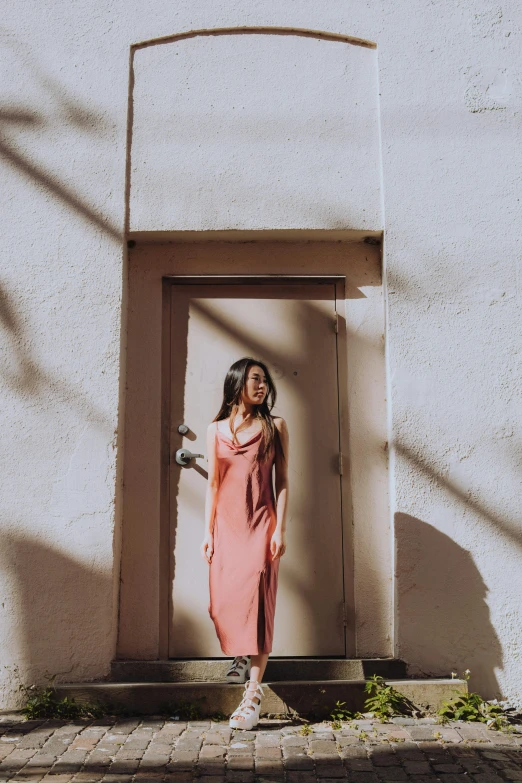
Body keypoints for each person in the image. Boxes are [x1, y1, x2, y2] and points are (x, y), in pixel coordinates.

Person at [200, 357, 289, 730]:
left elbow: (282, 481)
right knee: (221, 603)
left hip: (260, 525)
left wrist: (279, 529)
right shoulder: (215, 429)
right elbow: (213, 485)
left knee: (259, 600)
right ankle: (240, 653)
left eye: (265, 381)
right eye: (255, 379)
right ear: (237, 382)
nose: (262, 386)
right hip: (226, 527)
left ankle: (252, 694)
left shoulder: (275, 426)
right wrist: (207, 531)